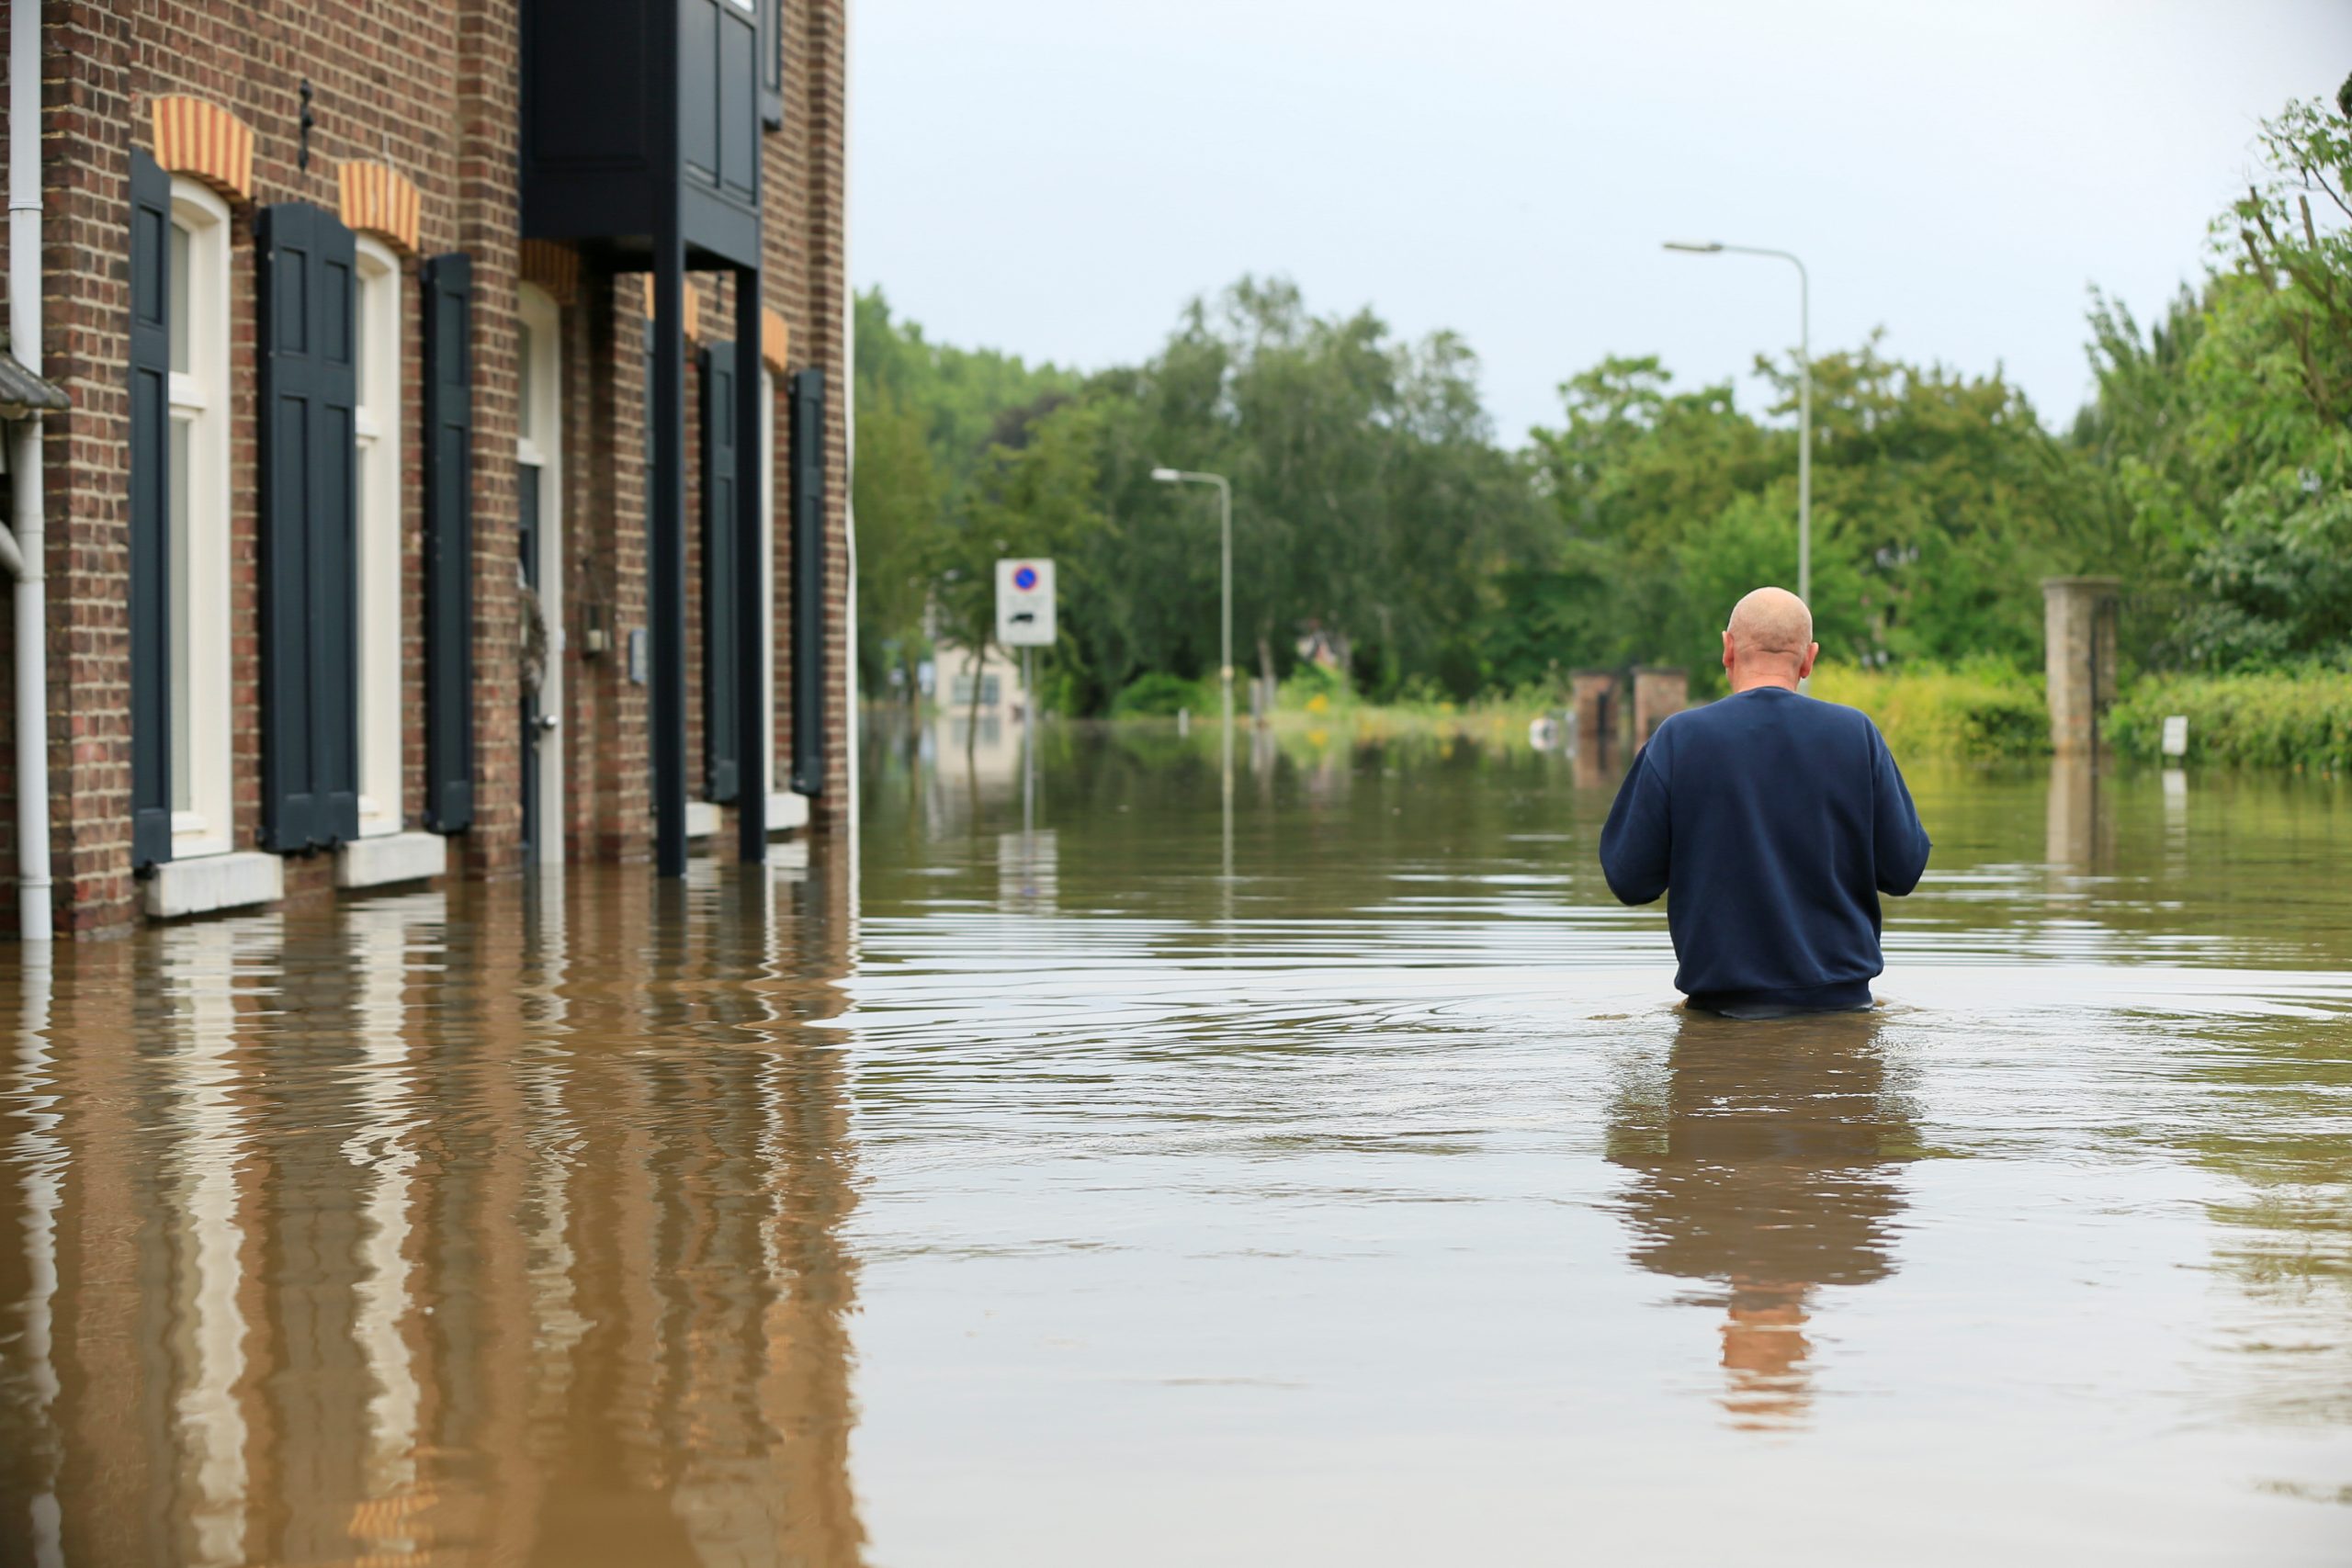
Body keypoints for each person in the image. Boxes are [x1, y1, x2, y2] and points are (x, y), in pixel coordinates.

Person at [1599, 586, 1930, 1017]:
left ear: (1728, 649)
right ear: (1809, 659)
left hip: (1719, 1020)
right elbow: (1903, 870)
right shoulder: (1856, 735)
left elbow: (1629, 879)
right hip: (1844, 1012)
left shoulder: (1679, 740)